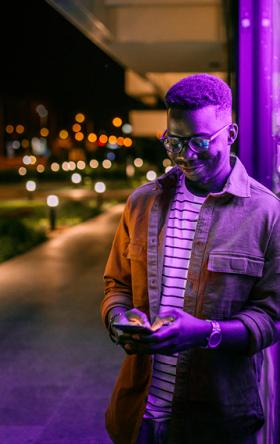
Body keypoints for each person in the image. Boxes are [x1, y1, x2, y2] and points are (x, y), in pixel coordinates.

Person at [101, 74, 280, 444]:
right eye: (174, 141)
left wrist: (205, 333)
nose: (185, 155)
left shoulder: (266, 214)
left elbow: (272, 316)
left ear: (229, 135)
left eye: (199, 141)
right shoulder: (141, 203)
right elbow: (116, 285)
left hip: (217, 422)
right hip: (139, 416)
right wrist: (119, 319)